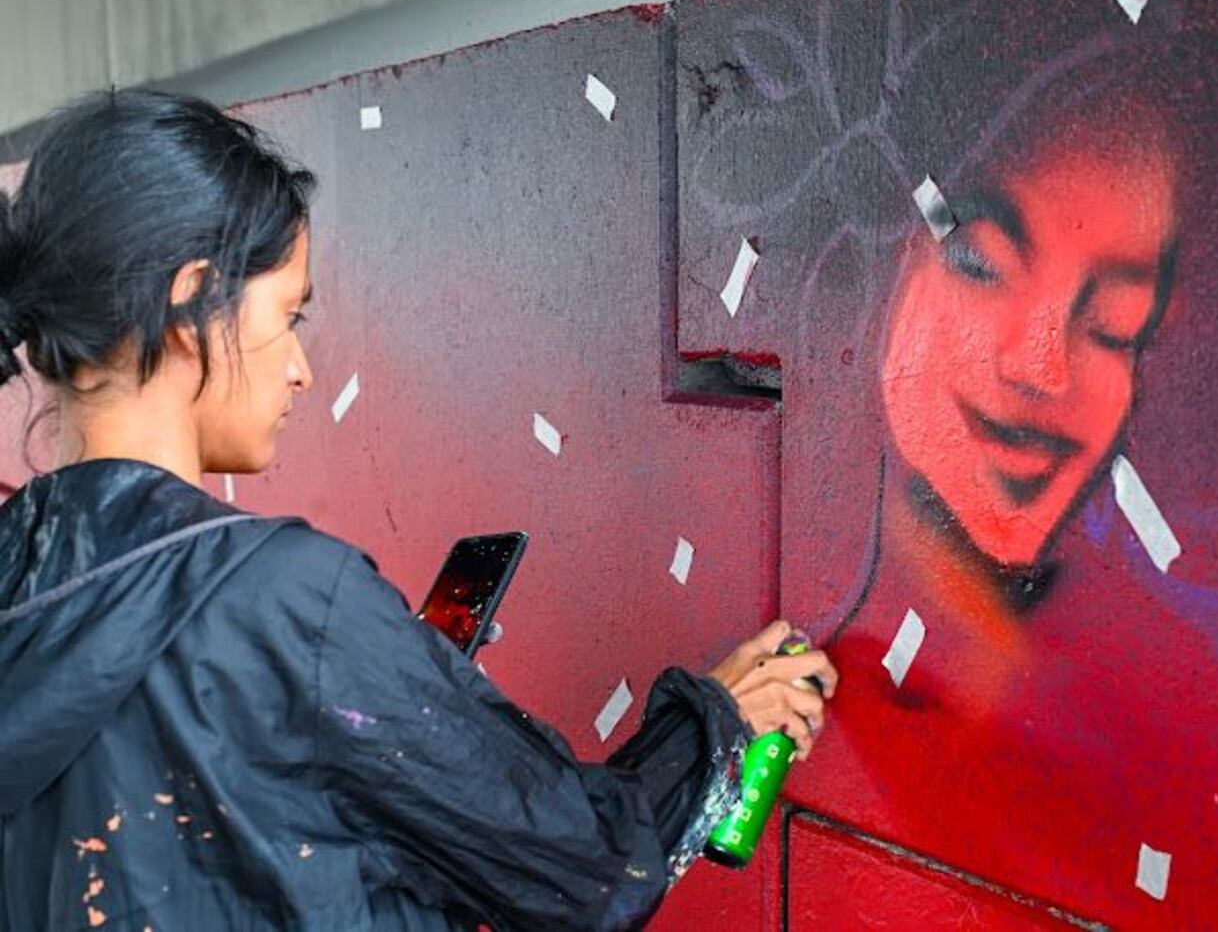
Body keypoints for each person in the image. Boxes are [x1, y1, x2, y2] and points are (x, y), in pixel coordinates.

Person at [0, 89, 838, 932]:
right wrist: (716, 725)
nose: (300, 368)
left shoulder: (17, 569)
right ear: (191, 308)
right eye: (288, 315)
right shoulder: (286, 598)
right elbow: (581, 868)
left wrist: (391, 683)